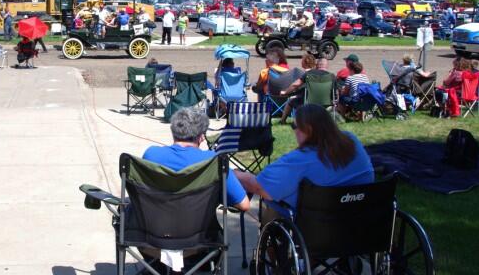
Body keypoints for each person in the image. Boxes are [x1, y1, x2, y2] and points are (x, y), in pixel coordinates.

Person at [235, 104, 374, 218]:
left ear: (307, 129)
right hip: (358, 223)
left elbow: (261, 187)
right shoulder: (352, 142)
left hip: (316, 230)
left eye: (294, 126)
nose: (294, 131)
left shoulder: (299, 160)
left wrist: (233, 174)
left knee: (270, 204)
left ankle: (274, 250)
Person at [143, 108, 250, 212]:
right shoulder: (214, 161)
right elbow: (244, 204)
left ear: (173, 131)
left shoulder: (151, 155)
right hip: (201, 228)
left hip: (154, 226)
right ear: (202, 137)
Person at [277, 53, 317, 124]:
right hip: (322, 100)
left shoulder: (306, 74)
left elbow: (295, 85)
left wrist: (286, 92)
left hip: (308, 99)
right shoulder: (319, 74)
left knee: (291, 101)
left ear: (305, 63)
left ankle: (283, 120)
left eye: (302, 60)